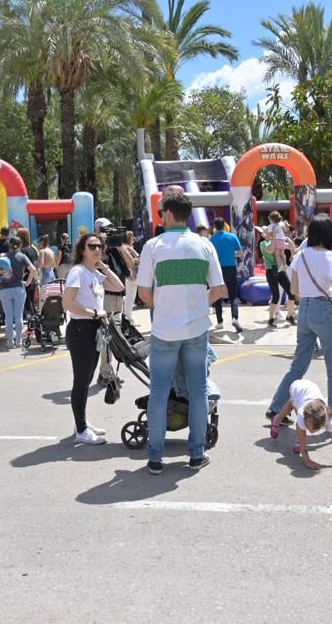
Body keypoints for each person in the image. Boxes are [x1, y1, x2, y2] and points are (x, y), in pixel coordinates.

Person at [137, 192, 227, 474]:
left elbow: (143, 292)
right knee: (198, 391)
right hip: (197, 329)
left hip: (164, 330)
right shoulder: (204, 245)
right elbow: (219, 289)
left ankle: (155, 457)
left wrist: (163, 307)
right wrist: (198, 306)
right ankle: (196, 454)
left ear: (167, 213)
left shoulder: (153, 246)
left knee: (159, 392)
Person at [266, 215, 332, 434]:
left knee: (298, 364)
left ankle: (275, 408)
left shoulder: (301, 256)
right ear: (329, 234)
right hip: (323, 310)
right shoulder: (331, 258)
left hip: (305, 311)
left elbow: (294, 291)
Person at [61, 232, 125, 445]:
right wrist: (94, 313)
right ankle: (80, 430)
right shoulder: (78, 272)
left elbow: (118, 287)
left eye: (99, 246)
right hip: (81, 330)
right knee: (81, 381)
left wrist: (103, 267)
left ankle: (81, 423)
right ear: (82, 250)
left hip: (93, 330)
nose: (97, 249)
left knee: (86, 380)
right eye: (92, 246)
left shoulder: (92, 273)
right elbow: (68, 303)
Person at [268, 379, 332, 471]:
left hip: (309, 388)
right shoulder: (302, 414)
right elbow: (303, 437)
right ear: (305, 418)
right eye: (309, 427)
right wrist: (307, 460)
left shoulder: (327, 419)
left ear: (323, 423)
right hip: (297, 387)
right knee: (295, 407)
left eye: (316, 429)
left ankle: (277, 418)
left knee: (292, 404)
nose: (311, 431)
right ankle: (277, 419)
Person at [0, 236, 37, 349]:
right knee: (19, 316)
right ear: (20, 246)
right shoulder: (22, 257)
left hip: (5, 288)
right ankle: (19, 341)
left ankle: (10, 341)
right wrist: (28, 282)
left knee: (9, 316)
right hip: (19, 288)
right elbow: (33, 270)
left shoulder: (3, 256)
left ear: (9, 245)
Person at [209, 217, 243, 332]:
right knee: (233, 295)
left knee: (217, 295)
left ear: (215, 227)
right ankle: (234, 318)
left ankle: (220, 322)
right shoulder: (232, 236)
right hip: (231, 268)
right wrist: (232, 254)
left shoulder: (211, 240)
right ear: (224, 225)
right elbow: (240, 253)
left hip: (217, 269)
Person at [260, 228, 296, 327]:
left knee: (291, 293)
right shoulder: (263, 244)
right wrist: (275, 238)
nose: (271, 234)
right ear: (265, 234)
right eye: (269, 233)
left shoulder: (278, 242)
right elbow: (271, 249)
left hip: (281, 270)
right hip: (271, 271)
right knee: (276, 296)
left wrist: (286, 238)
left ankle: (290, 316)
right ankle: (271, 319)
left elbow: (293, 248)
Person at [119, 230, 140, 321]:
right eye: (132, 236)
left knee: (130, 296)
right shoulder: (125, 247)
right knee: (130, 297)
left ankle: (128, 315)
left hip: (133, 274)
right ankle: (128, 316)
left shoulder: (129, 247)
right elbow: (131, 261)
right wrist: (136, 260)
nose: (134, 238)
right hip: (130, 274)